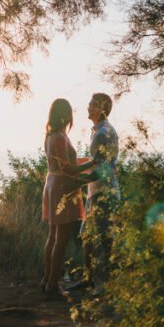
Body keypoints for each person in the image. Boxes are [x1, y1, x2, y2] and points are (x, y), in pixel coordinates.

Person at [70, 92, 120, 293]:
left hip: (105, 192)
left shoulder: (103, 133)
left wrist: (76, 179)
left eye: (92, 104)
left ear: (102, 109)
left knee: (104, 238)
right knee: (88, 236)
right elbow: (95, 161)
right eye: (89, 103)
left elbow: (102, 167)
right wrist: (73, 167)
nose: (88, 107)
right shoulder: (98, 131)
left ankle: (105, 283)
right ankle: (89, 278)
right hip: (96, 192)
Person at [40, 98, 85, 298]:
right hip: (62, 186)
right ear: (65, 115)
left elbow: (66, 162)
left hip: (52, 183)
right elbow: (67, 167)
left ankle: (47, 280)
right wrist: (92, 167)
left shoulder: (50, 136)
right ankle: (52, 283)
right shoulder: (59, 137)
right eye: (69, 112)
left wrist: (86, 161)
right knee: (62, 238)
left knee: (52, 236)